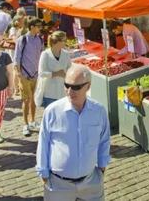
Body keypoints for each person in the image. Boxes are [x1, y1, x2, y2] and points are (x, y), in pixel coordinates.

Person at [36, 64, 110, 201]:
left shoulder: (99, 111)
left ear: (88, 86)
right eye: (66, 85)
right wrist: (43, 173)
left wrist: (102, 168)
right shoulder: (52, 111)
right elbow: (43, 142)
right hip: (58, 185)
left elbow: (104, 140)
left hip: (91, 183)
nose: (70, 91)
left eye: (76, 87)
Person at [13, 17, 44, 136]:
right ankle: (25, 124)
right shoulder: (22, 39)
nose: (40, 28)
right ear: (32, 27)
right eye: (38, 26)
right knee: (26, 100)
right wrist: (18, 73)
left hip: (36, 74)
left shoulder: (40, 39)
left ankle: (32, 121)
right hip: (24, 75)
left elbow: (41, 55)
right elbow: (17, 58)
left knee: (34, 100)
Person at [36, 31, 71, 108]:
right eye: (64, 40)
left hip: (62, 92)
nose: (66, 42)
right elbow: (41, 73)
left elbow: (69, 69)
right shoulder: (45, 54)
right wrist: (56, 73)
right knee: (50, 117)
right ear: (57, 42)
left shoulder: (66, 54)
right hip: (49, 93)